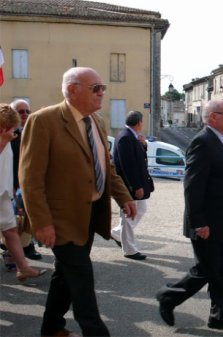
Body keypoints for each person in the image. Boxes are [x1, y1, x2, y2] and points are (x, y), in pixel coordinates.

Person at [19, 67, 136, 337]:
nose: (102, 93)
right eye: (96, 88)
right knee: (82, 279)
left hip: (89, 215)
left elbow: (107, 168)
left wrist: (123, 196)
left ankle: (51, 328)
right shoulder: (43, 120)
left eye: (102, 87)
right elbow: (30, 178)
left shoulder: (96, 121)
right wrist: (42, 223)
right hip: (59, 220)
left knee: (65, 275)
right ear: (72, 90)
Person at [155, 100, 223, 330]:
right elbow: (193, 186)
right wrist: (199, 222)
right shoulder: (203, 142)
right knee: (205, 270)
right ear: (213, 117)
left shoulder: (222, 142)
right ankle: (168, 296)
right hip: (207, 223)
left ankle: (220, 315)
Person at [0, 104, 46, 282]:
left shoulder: (11, 137)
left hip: (4, 192)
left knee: (11, 231)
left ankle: (23, 268)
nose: (14, 130)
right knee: (10, 231)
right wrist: (4, 140)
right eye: (11, 127)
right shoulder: (6, 138)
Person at [110, 110, 154, 260]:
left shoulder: (132, 137)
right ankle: (129, 249)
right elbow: (127, 165)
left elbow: (138, 158)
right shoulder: (125, 137)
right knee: (129, 214)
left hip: (136, 183)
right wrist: (135, 186)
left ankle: (117, 233)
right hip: (129, 185)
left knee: (141, 209)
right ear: (139, 123)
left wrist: (143, 145)